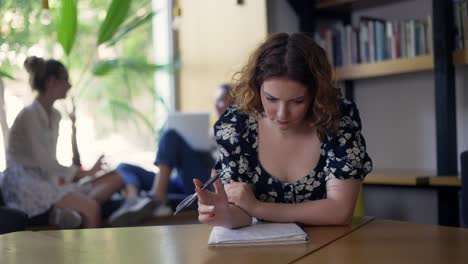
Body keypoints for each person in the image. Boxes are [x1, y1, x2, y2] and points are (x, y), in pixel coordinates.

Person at [194, 32, 373, 229]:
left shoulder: (337, 118)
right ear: (257, 86)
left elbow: (340, 211)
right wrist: (222, 213)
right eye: (271, 99)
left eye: (297, 101)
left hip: (329, 248)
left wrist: (259, 208)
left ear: (316, 93)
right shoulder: (237, 126)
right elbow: (242, 213)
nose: (282, 114)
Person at [1, 56, 126, 228]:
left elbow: (50, 162)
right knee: (91, 208)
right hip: (23, 184)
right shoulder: (29, 114)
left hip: (45, 180)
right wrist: (84, 173)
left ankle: (63, 214)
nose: (69, 85)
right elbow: (44, 161)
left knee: (115, 179)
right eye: (65, 80)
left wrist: (74, 178)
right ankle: (81, 244)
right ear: (52, 81)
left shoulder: (55, 115)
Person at [109, 84, 233, 225]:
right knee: (124, 167)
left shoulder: (238, 132)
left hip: (205, 181)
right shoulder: (207, 131)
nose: (220, 104)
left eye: (225, 100)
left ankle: (157, 196)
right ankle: (133, 200)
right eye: (217, 100)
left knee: (170, 136)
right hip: (181, 181)